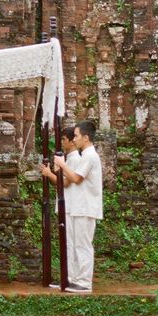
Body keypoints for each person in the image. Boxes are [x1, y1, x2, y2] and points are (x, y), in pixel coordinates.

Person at [53, 119, 103, 293]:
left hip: (87, 206)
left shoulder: (90, 156)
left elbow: (75, 178)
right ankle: (74, 278)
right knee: (75, 244)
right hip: (80, 206)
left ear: (86, 138)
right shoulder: (87, 155)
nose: (74, 139)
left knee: (83, 245)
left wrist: (62, 165)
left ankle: (84, 281)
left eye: (76, 136)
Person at [40, 125, 80, 288]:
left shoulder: (75, 158)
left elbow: (66, 183)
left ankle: (72, 277)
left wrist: (50, 174)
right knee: (67, 242)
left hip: (71, 205)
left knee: (71, 243)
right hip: (67, 204)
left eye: (64, 139)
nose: (62, 142)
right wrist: (51, 173)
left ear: (71, 141)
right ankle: (68, 275)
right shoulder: (68, 158)